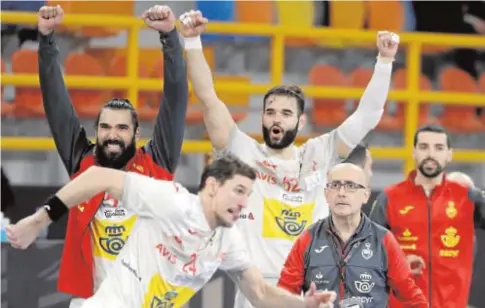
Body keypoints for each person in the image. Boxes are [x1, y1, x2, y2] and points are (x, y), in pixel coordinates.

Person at [178, 10, 399, 308]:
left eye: (286, 113)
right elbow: (207, 97)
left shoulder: (321, 153)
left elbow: (368, 115)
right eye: (270, 112)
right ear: (263, 118)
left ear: (301, 121)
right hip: (256, 293)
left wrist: (384, 62)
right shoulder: (243, 152)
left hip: (312, 289)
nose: (276, 119)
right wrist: (191, 42)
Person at [7, 154, 337, 308]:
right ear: (211, 185)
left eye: (249, 194)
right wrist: (38, 221)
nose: (244, 202)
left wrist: (303, 305)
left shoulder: (228, 238)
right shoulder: (173, 202)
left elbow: (261, 294)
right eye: (238, 190)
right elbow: (99, 178)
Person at [28, 4, 188, 305]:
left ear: (136, 135)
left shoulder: (157, 163)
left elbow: (176, 99)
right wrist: (46, 39)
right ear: (96, 131)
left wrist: (169, 37)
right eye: (105, 127)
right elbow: (56, 103)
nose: (112, 135)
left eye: (121, 128)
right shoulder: (82, 163)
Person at [277, 163, 428, 307]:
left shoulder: (383, 240)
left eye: (350, 186)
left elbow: (413, 299)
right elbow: (282, 297)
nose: (341, 193)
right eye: (335, 185)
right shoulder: (308, 239)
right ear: (326, 194)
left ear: (366, 195)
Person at [369, 124, 485, 308]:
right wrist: (396, 264)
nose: (431, 154)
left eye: (438, 148)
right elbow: (366, 253)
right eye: (424, 147)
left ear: (449, 154)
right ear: (414, 152)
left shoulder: (469, 198)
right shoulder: (390, 199)